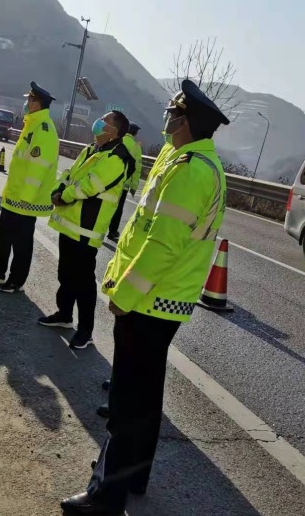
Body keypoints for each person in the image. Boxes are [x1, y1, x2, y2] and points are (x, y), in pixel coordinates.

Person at [60, 79, 229, 515]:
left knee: (128, 400)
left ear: (186, 122)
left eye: (174, 113)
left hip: (151, 298)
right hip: (163, 297)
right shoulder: (185, 158)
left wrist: (126, 294)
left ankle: (106, 495)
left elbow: (162, 245)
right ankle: (133, 474)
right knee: (146, 394)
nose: (167, 117)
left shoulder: (191, 170)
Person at [38, 111, 134, 350]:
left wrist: (64, 196)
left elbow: (89, 186)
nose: (99, 122)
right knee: (66, 274)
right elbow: (69, 174)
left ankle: (85, 330)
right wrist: (57, 190)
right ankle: (64, 314)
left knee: (83, 282)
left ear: (114, 131)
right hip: (69, 223)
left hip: (86, 228)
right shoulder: (92, 149)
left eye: (105, 121)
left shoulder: (117, 158)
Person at [0, 81, 59, 293]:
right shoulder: (32, 124)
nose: (26, 103)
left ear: (37, 103)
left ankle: (16, 281)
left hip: (25, 199)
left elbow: (38, 167)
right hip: (14, 195)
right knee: (3, 236)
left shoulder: (44, 128)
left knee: (21, 243)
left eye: (29, 100)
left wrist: (27, 196)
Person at [107, 122, 143, 242]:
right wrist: (134, 186)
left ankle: (99, 227)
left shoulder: (116, 140)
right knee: (118, 208)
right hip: (123, 184)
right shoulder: (136, 147)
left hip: (108, 179)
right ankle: (112, 232)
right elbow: (137, 169)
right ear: (135, 133)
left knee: (104, 203)